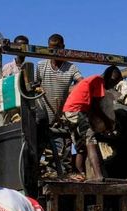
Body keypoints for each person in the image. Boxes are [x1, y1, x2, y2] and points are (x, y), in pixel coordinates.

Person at [62, 66, 122, 180]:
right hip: (78, 110)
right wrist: (107, 122)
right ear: (108, 77)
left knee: (81, 148)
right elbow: (95, 107)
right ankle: (99, 176)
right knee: (91, 140)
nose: (112, 86)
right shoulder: (98, 81)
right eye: (113, 82)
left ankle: (82, 175)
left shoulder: (93, 80)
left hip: (69, 111)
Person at [36, 34, 82, 175]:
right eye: (51, 49)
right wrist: (37, 87)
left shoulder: (71, 68)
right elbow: (31, 86)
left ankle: (64, 181)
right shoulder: (41, 66)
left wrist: (72, 89)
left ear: (63, 48)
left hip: (61, 119)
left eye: (57, 48)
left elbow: (81, 82)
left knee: (63, 155)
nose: (54, 52)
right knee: (39, 153)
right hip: (43, 118)